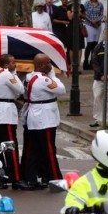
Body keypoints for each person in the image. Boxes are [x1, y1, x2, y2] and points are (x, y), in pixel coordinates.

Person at [17, 53, 66, 190]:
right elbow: (61, 89)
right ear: (40, 65)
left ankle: (31, 178)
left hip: (37, 116)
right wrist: (53, 75)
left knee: (34, 150)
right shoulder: (43, 80)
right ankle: (55, 179)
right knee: (49, 150)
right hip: (44, 119)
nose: (50, 65)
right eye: (48, 63)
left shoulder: (29, 76)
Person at [0, 54, 24, 184]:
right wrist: (15, 74)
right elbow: (20, 89)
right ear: (6, 65)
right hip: (4, 113)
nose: (15, 64)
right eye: (13, 62)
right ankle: (15, 178)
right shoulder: (7, 74)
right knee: (10, 146)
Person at [89, 27, 108, 128]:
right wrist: (101, 74)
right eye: (106, 33)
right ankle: (98, 118)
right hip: (99, 78)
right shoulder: (98, 48)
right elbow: (94, 62)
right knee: (98, 97)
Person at [83, 0, 104, 70]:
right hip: (89, 25)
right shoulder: (87, 3)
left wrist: (97, 20)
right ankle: (86, 62)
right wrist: (91, 20)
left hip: (97, 26)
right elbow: (84, 13)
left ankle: (93, 62)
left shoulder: (100, 4)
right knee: (89, 44)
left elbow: (101, 14)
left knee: (95, 44)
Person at [66, 0, 86, 73]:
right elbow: (70, 17)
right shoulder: (69, 6)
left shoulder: (82, 6)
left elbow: (85, 16)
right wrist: (74, 10)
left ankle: (77, 66)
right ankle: (72, 65)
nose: (74, 0)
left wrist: (80, 12)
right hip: (71, 28)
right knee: (71, 47)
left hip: (79, 27)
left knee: (80, 47)